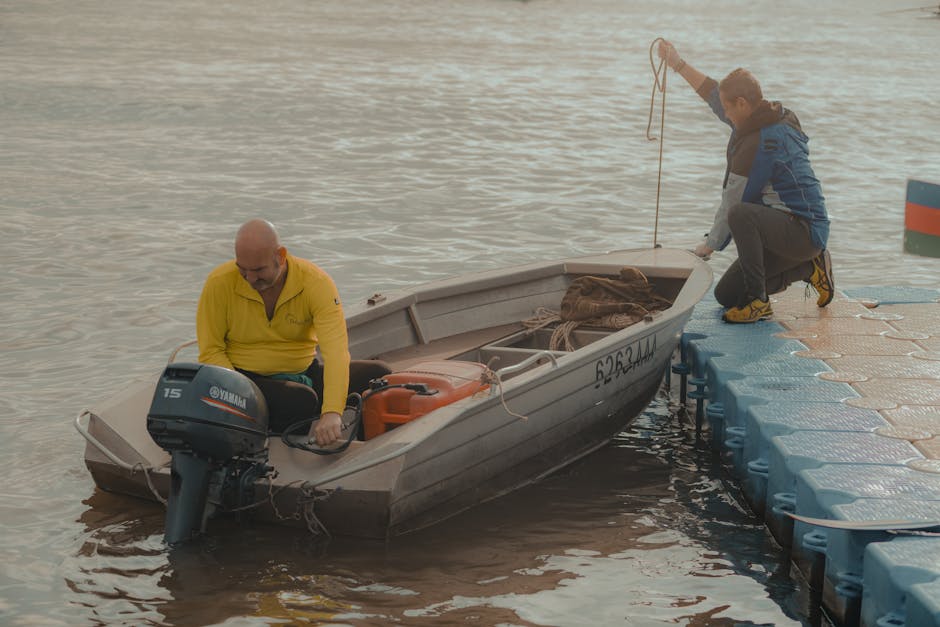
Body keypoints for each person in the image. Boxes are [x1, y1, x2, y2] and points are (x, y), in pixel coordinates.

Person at [657, 40, 834, 323]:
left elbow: (732, 202)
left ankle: (758, 303)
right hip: (781, 228)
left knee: (740, 214)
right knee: (726, 295)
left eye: (728, 110)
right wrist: (677, 63)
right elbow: (713, 94)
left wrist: (709, 246)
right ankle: (810, 268)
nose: (724, 114)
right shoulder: (764, 116)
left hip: (803, 231)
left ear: (742, 103)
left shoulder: (760, 144)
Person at [196, 219, 388, 445]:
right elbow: (211, 351)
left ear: (280, 256)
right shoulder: (219, 283)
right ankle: (276, 454)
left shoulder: (316, 283)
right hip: (243, 379)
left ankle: (363, 452)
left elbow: (336, 353)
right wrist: (240, 395)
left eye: (258, 270)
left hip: (301, 372)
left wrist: (332, 411)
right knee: (299, 399)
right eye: (243, 270)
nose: (250, 279)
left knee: (378, 376)